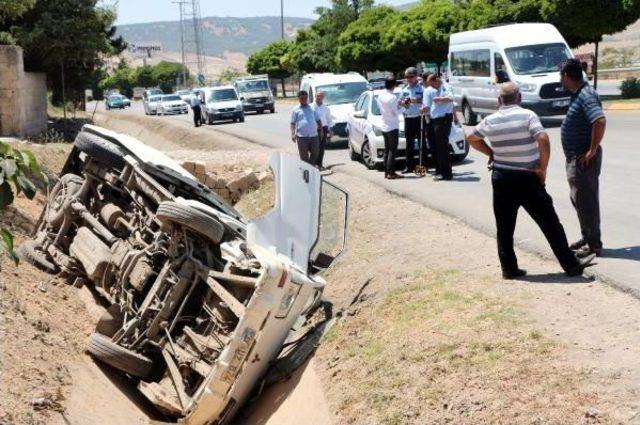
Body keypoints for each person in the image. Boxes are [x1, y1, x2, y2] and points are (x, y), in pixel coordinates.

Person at [467, 82, 594, 279]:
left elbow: (471, 138)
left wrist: (491, 153)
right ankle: (571, 265)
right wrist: (542, 168)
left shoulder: (490, 120)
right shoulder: (527, 115)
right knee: (550, 223)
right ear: (519, 98)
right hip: (527, 178)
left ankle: (509, 269)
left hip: (502, 178)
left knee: (505, 227)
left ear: (499, 100)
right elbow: (542, 138)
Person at [559, 58, 607, 258]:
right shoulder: (578, 94)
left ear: (567, 76)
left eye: (561, 77)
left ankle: (594, 244)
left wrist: (592, 150)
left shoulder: (586, 95)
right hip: (576, 158)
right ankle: (587, 236)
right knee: (579, 200)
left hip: (583, 160)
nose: (560, 81)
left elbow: (599, 120)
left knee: (586, 201)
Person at [422, 73, 454, 181]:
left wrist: (439, 99)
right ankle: (443, 172)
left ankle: (446, 174)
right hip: (437, 120)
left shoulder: (445, 86)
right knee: (440, 147)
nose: (432, 87)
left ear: (436, 80)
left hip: (443, 120)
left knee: (442, 147)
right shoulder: (437, 88)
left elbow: (450, 98)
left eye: (432, 85)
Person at [375, 77, 404, 180]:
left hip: (384, 125)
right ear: (394, 85)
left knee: (387, 150)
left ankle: (386, 172)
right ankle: (391, 172)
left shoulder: (380, 96)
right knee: (392, 150)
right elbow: (396, 112)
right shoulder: (392, 97)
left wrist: (399, 106)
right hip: (392, 126)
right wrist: (405, 107)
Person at [399, 67, 424, 173]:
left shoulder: (421, 88)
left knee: (421, 144)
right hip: (408, 118)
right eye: (407, 77)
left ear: (416, 77)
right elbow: (399, 102)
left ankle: (422, 167)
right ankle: (409, 166)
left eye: (411, 77)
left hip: (419, 118)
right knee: (409, 145)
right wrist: (403, 103)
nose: (409, 79)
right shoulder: (404, 89)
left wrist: (413, 100)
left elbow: (424, 99)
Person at [290, 90, 322, 165]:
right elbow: (292, 123)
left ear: (307, 98)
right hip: (302, 137)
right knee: (304, 157)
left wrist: (321, 130)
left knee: (316, 153)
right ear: (298, 99)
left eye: (305, 98)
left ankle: (310, 167)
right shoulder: (295, 110)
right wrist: (293, 134)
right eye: (301, 98)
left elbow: (318, 120)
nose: (303, 100)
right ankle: (306, 172)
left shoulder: (312, 108)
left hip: (314, 136)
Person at [311, 91, 333, 169]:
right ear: (315, 96)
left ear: (323, 98)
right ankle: (313, 164)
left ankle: (319, 164)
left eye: (320, 96)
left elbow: (329, 120)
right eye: (317, 96)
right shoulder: (311, 107)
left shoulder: (326, 108)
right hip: (314, 129)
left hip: (324, 128)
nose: (319, 97)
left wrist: (330, 130)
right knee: (314, 147)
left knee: (321, 147)